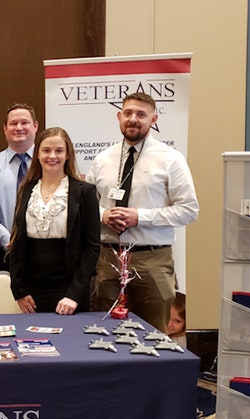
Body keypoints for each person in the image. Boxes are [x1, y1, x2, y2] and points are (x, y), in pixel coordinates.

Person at [85, 92, 199, 333]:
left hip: (152, 260)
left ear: (154, 119)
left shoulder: (171, 159)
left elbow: (189, 210)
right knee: (106, 332)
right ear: (119, 117)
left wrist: (140, 217)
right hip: (108, 259)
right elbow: (85, 206)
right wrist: (103, 214)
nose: (133, 119)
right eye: (128, 113)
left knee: (154, 334)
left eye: (141, 114)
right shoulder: (102, 159)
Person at [8, 127, 100, 314]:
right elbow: (17, 242)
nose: (52, 156)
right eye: (46, 150)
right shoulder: (26, 189)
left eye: (59, 151)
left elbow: (92, 247)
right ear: (37, 155)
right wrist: (19, 291)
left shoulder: (85, 192)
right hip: (32, 291)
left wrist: (74, 295)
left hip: (70, 289)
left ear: (68, 155)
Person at [0, 103, 39, 270]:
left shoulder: (51, 164)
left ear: (35, 126)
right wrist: (8, 240)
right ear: (5, 128)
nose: (19, 127)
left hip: (45, 252)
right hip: (6, 253)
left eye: (25, 122)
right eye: (13, 123)